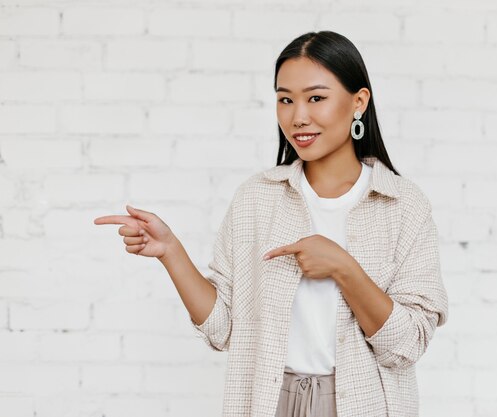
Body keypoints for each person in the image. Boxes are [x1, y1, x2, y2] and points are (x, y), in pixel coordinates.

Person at [94, 30, 448, 417]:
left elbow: (408, 345)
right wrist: (171, 253)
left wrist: (343, 267)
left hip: (364, 405)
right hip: (268, 400)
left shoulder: (403, 205)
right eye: (285, 100)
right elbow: (223, 329)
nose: (298, 117)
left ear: (358, 102)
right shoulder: (257, 198)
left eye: (316, 98)